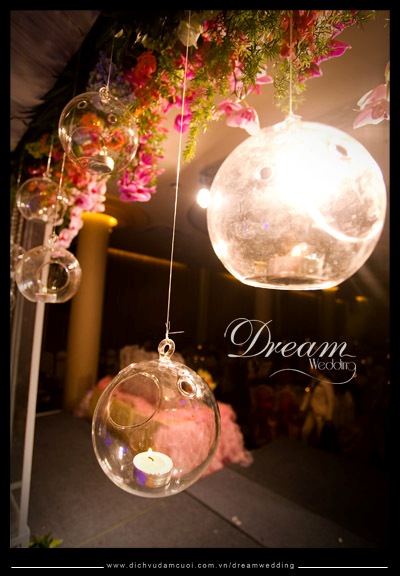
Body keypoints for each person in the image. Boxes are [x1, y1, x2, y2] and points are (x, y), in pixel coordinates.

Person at [300, 366, 337, 448]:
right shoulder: (313, 381)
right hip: (312, 411)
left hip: (321, 414)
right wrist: (302, 409)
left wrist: (329, 418)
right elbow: (308, 395)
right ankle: (304, 447)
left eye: (312, 367)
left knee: (321, 435)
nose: (310, 369)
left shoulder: (326, 383)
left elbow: (330, 401)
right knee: (305, 431)